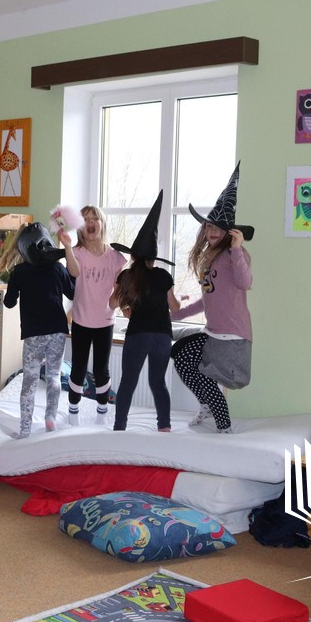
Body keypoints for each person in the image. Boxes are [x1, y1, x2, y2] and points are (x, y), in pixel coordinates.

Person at [170, 162, 254, 433]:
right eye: (208, 227)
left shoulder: (234, 256)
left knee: (200, 369)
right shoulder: (209, 259)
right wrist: (175, 315)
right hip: (213, 332)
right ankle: (207, 406)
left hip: (232, 335)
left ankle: (224, 426)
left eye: (217, 227)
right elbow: (206, 300)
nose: (212, 231)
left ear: (229, 231)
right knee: (180, 356)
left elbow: (245, 283)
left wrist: (237, 249)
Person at [0, 222, 76, 438]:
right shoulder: (58, 268)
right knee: (54, 376)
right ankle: (50, 418)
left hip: (33, 333)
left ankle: (25, 429)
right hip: (57, 330)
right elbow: (73, 293)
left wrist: (14, 288)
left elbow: (9, 302)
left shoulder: (20, 272)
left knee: (29, 380)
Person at [108, 191, 180, 432]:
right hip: (161, 336)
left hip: (137, 335)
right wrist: (178, 299)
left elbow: (111, 304)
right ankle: (164, 426)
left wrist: (125, 306)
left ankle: (120, 427)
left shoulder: (126, 276)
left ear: (133, 255)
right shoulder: (163, 275)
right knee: (158, 382)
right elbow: (174, 308)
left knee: (128, 382)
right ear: (153, 258)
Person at [67, 205, 127, 425]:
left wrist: (119, 301)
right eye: (85, 219)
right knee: (78, 368)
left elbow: (119, 291)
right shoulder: (77, 253)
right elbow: (74, 271)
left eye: (95, 218)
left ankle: (102, 411)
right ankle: (73, 411)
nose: (90, 222)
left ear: (102, 224)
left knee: (102, 370)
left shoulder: (115, 257)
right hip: (81, 320)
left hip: (105, 322)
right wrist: (66, 246)